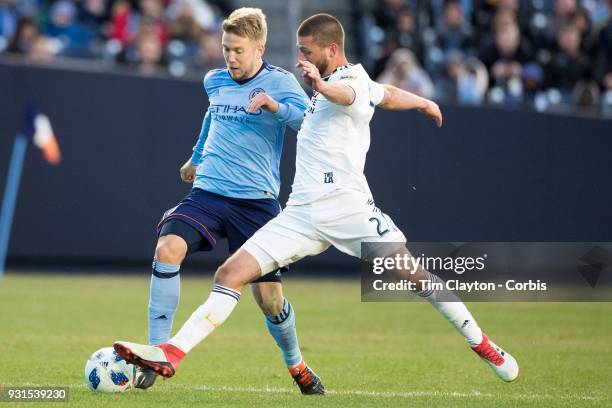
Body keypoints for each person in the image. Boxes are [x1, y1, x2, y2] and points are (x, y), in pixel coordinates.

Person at [115, 13, 519, 388]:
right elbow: (388, 93)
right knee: (228, 274)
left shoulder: (349, 81)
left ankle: (481, 342)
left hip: (348, 209)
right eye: (298, 51)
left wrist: (320, 86)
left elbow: (347, 95)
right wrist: (424, 102)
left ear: (331, 50)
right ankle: (172, 353)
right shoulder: (346, 84)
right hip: (301, 214)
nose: (300, 58)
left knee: (414, 277)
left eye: (306, 51)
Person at [131, 7, 325, 395]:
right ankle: (155, 352)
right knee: (167, 249)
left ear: (259, 48)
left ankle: (297, 365)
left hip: (256, 205)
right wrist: (196, 157)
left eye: (238, 50)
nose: (230, 58)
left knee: (269, 301)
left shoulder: (282, 83)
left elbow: (312, 123)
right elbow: (211, 117)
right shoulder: (215, 79)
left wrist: (276, 108)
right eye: (226, 49)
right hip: (209, 193)